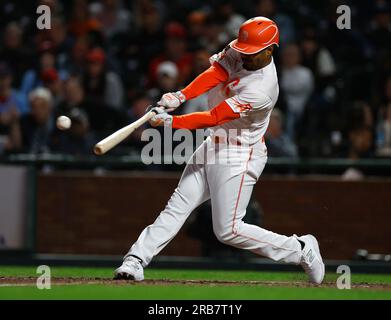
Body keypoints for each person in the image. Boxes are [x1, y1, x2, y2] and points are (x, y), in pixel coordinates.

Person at [114, 17, 325, 284]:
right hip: (213, 144)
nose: (244, 56)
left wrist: (171, 122)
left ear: (270, 50)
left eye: (252, 52)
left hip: (239, 154)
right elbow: (216, 74)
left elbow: (215, 116)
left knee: (228, 231)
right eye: (243, 49)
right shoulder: (240, 49)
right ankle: (135, 260)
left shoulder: (262, 89)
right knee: (177, 206)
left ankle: (301, 250)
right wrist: (180, 96)